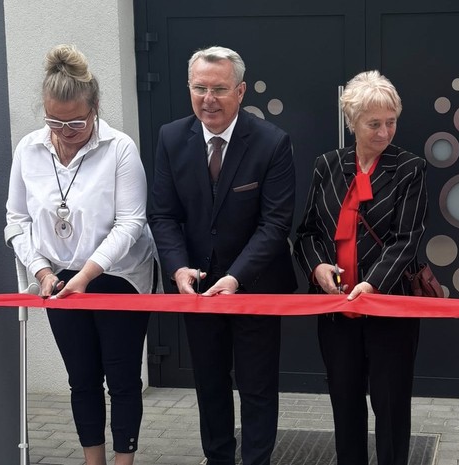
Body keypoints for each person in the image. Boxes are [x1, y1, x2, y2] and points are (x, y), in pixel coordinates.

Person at [5, 44, 157, 465]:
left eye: (76, 121)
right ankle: (94, 460)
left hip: (119, 275)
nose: (65, 130)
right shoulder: (29, 149)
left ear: (95, 108)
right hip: (57, 279)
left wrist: (87, 275)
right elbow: (15, 219)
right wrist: (41, 271)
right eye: (54, 121)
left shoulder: (119, 148)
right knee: (81, 378)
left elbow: (131, 222)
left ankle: (124, 461)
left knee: (122, 378)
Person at [148, 46, 296, 465]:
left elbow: (275, 224)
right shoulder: (171, 138)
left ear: (241, 91)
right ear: (189, 88)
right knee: (210, 386)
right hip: (196, 288)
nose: (208, 99)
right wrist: (177, 268)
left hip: (255, 286)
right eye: (199, 88)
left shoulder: (271, 142)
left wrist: (235, 277)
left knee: (257, 387)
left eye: (219, 89)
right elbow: (162, 214)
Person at [294, 70, 427, 465]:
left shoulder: (410, 168)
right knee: (344, 400)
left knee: (391, 404)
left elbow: (406, 240)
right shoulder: (327, 165)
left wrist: (371, 286)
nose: (384, 132)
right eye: (374, 124)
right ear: (352, 122)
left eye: (391, 122)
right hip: (336, 308)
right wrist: (318, 267)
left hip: (389, 305)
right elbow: (307, 232)